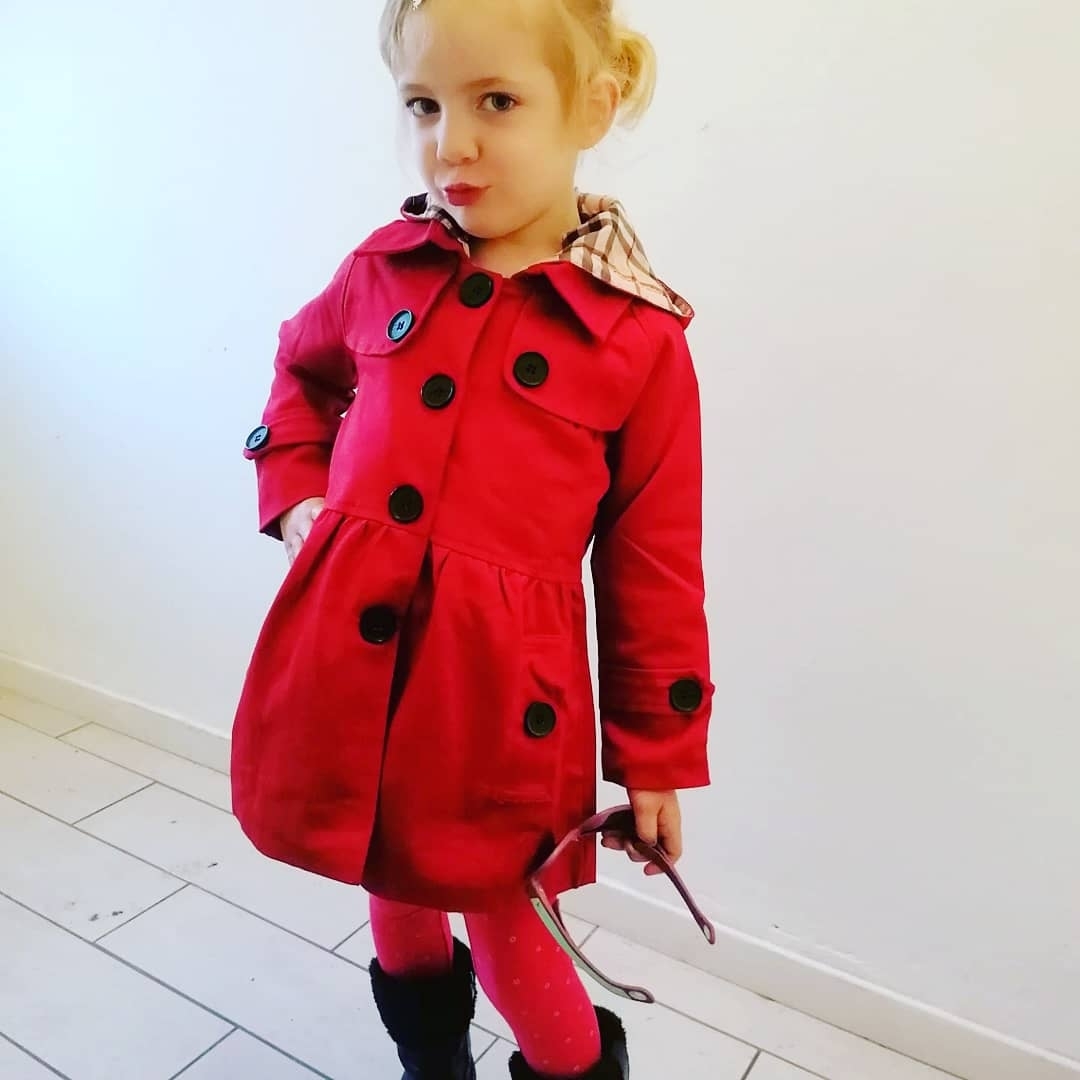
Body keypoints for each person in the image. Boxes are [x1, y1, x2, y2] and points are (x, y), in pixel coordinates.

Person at [232, 0, 713, 1076]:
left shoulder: (638, 339)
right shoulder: (384, 266)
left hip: (496, 699)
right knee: (388, 881)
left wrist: (655, 758)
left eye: (497, 101)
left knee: (508, 924)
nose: (451, 144)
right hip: (354, 665)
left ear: (594, 106)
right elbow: (301, 373)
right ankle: (430, 1063)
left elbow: (654, 566)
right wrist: (298, 496)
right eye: (423, 104)